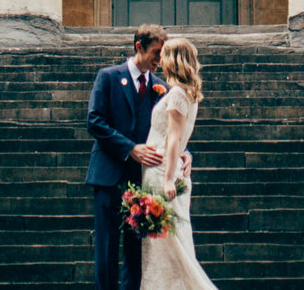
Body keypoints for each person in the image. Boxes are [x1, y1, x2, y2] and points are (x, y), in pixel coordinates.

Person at [86, 24, 169, 290]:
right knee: (107, 248)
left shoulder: (160, 87)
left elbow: (169, 129)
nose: (161, 59)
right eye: (157, 52)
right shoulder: (109, 77)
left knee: (136, 252)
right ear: (139, 47)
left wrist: (184, 154)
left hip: (142, 181)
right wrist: (130, 148)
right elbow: (95, 121)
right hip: (109, 175)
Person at [136, 36, 216, 290]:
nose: (159, 59)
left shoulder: (179, 93)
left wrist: (169, 177)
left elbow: (173, 138)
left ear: (173, 59)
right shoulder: (184, 93)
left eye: (165, 54)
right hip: (161, 167)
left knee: (169, 241)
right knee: (165, 241)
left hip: (162, 171)